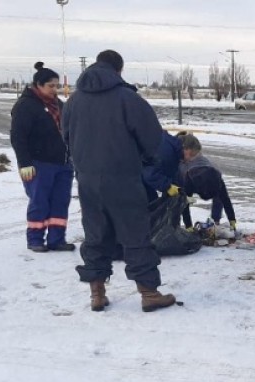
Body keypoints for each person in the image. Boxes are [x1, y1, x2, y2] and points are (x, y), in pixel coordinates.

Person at [62, 50, 176, 312]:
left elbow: (65, 137)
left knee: (95, 234)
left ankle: (97, 293)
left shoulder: (73, 101)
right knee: (135, 234)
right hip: (124, 178)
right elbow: (152, 139)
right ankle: (148, 292)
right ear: (119, 70)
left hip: (88, 180)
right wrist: (146, 160)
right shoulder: (128, 99)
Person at [10, 62, 75, 253]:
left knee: (60, 202)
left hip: (62, 163)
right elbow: (18, 137)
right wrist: (24, 163)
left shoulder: (58, 105)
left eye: (57, 86)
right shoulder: (26, 106)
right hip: (39, 164)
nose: (55, 90)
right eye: (51, 86)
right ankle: (35, 239)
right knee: (39, 202)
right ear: (38, 85)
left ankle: (57, 239)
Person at [176, 136, 236, 230]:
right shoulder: (189, 180)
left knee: (220, 197)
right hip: (183, 174)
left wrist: (232, 220)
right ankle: (173, 224)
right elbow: (185, 203)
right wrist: (189, 226)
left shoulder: (217, 178)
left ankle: (216, 221)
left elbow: (225, 199)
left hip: (199, 170)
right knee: (177, 197)